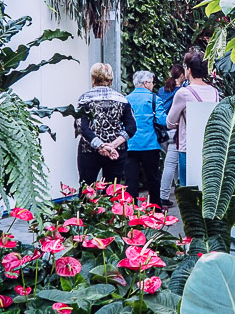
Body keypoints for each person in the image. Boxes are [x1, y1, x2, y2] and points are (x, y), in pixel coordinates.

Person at [161, 48, 220, 208]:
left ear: (188, 70)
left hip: (188, 149)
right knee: (207, 191)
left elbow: (169, 122)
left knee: (189, 194)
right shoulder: (214, 92)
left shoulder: (183, 93)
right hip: (209, 147)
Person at [76, 63, 136, 186]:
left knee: (87, 190)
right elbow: (131, 127)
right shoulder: (122, 99)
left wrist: (101, 145)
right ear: (110, 80)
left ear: (93, 79)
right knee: (112, 191)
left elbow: (82, 127)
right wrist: (112, 145)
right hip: (116, 151)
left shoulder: (84, 99)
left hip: (89, 151)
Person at [125, 71, 168, 206]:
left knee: (131, 179)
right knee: (153, 179)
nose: (152, 85)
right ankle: (156, 208)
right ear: (146, 83)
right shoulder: (154, 99)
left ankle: (130, 210)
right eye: (152, 82)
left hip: (130, 144)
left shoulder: (126, 99)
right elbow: (162, 121)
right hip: (150, 144)